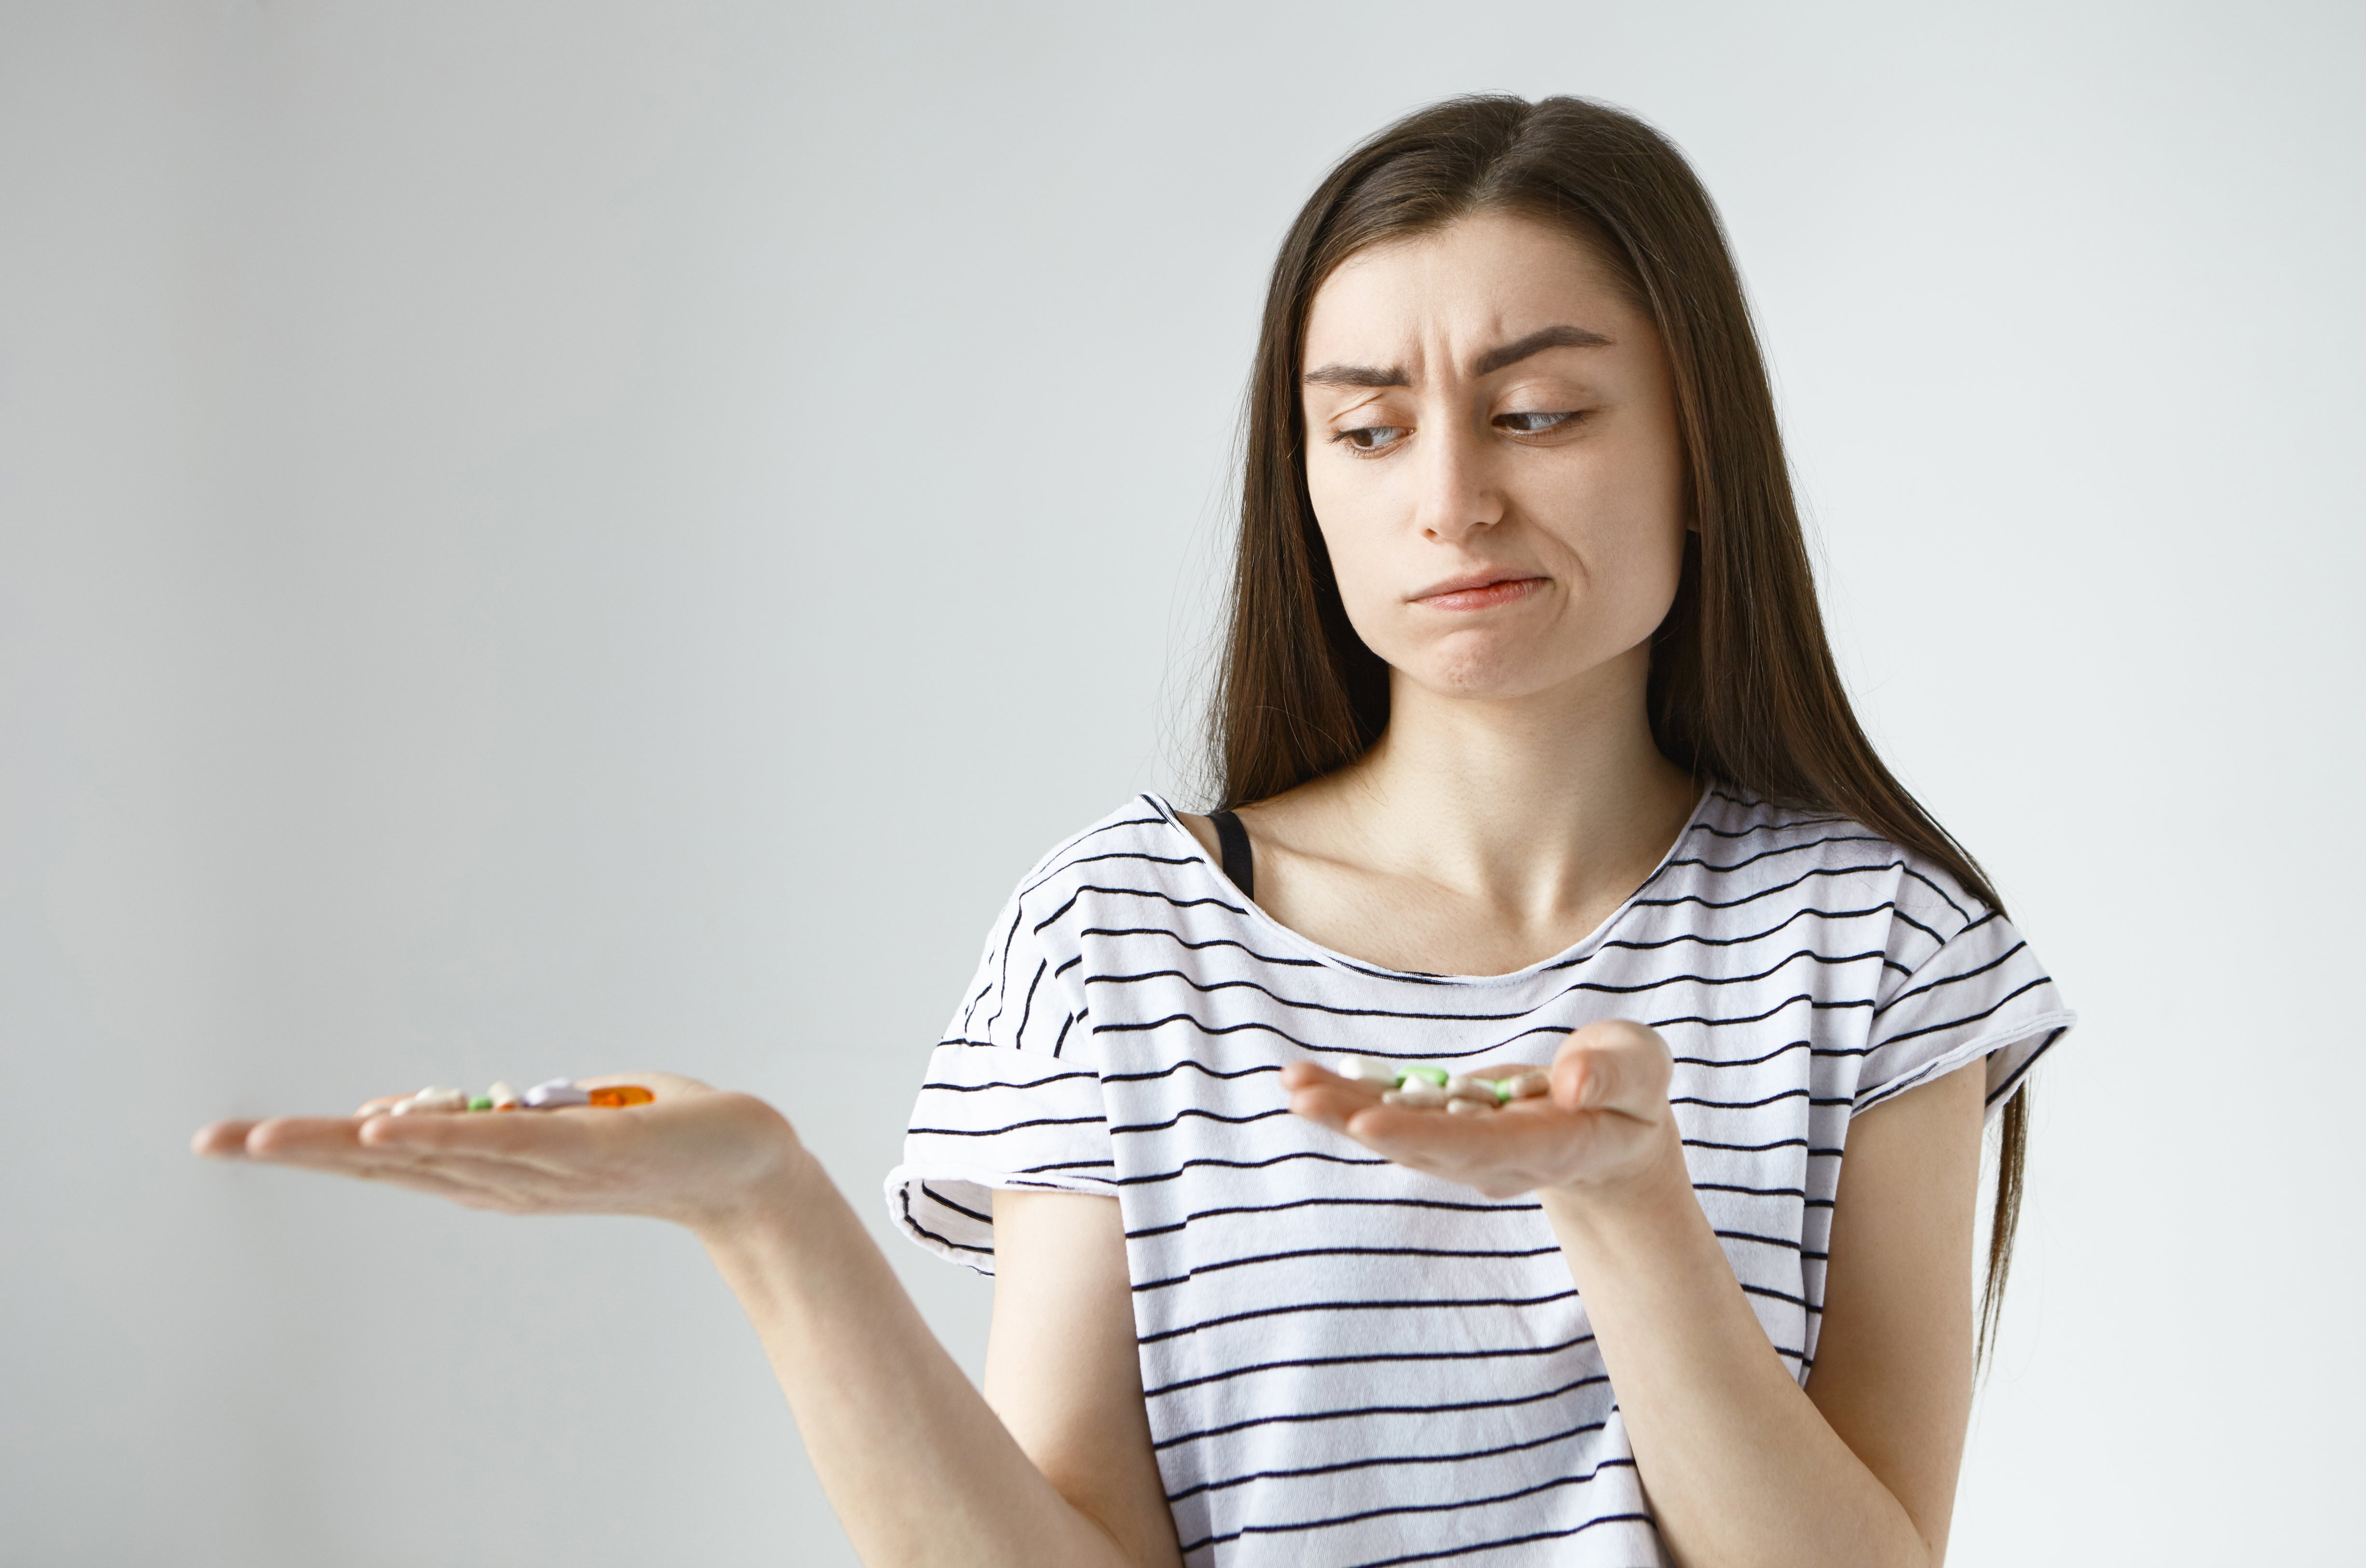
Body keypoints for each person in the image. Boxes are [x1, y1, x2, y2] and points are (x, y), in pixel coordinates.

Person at [195, 94, 2072, 1568]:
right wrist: (766, 1213)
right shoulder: (1120, 930)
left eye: (1539, 409)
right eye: (1365, 428)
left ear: (1699, 447)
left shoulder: (1880, 947)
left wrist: (1626, 1208)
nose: (1452, 496)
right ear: (1305, 481)